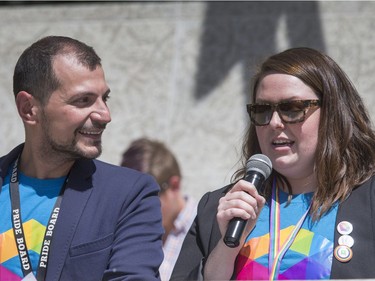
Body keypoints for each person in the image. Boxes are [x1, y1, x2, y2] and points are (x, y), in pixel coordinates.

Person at [170, 47, 375, 280]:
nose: (275, 122)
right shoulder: (219, 208)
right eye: (262, 110)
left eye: (293, 108)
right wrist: (226, 250)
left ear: (333, 113)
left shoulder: (368, 200)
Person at [0, 36, 163, 281]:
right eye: (83, 100)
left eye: (104, 99)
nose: (104, 115)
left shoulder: (129, 194)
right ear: (28, 109)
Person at [120, 138, 197, 281]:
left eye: (144, 198)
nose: (134, 209)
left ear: (174, 186)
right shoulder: (130, 231)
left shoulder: (208, 226)